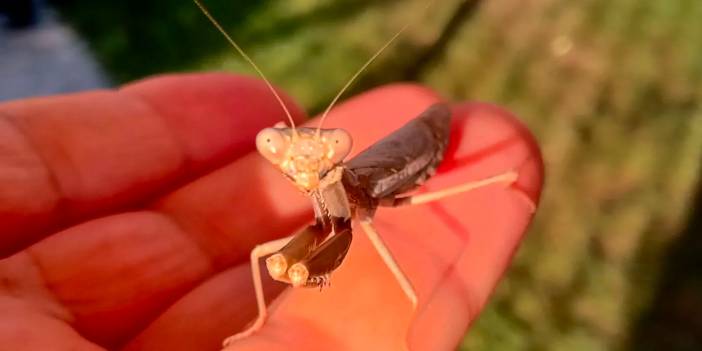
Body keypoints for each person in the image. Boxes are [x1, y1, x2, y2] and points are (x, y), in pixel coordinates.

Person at [0, 73, 543, 350]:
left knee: (402, 276)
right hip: (364, 188)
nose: (304, 173)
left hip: (419, 151)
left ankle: (497, 178)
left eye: (317, 162)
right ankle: (262, 321)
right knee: (271, 257)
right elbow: (328, 228)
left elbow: (363, 218)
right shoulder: (320, 191)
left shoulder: (355, 188)